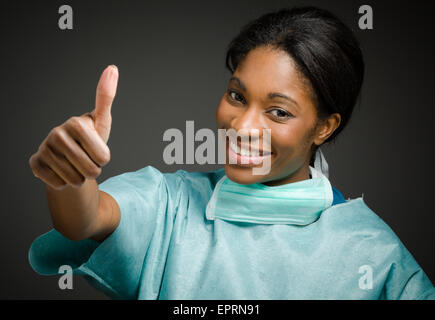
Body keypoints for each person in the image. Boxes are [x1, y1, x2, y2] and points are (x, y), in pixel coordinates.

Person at [28, 6, 435, 300]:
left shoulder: (375, 257)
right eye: (237, 96)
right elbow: (86, 218)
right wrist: (71, 176)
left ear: (324, 127)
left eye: (278, 111)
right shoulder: (171, 203)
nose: (242, 127)